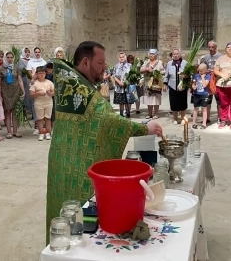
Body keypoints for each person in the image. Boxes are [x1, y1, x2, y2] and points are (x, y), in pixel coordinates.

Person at [45, 41, 163, 245]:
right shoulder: (81, 88)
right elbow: (109, 121)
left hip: (63, 158)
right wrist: (145, 128)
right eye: (100, 63)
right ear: (85, 61)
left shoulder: (71, 81)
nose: (104, 67)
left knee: (67, 212)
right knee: (71, 212)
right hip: (76, 162)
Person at [0, 51, 25, 139]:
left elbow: (20, 80)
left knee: (15, 112)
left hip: (15, 91)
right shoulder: (0, 68)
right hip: (5, 92)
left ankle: (15, 131)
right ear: (6, 58)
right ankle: (9, 132)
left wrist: (23, 91)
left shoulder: (16, 67)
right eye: (8, 57)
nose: (10, 59)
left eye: (11, 57)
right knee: (8, 112)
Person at [163, 49, 188, 125]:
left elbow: (190, 73)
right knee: (174, 103)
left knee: (183, 102)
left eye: (177, 54)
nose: (175, 55)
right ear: (172, 55)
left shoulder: (185, 63)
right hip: (172, 86)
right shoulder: (169, 63)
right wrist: (165, 84)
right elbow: (166, 75)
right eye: (174, 54)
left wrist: (186, 76)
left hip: (182, 86)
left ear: (180, 55)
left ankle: (183, 118)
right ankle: (175, 119)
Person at [201, 41, 223, 123]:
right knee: (208, 101)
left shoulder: (220, 57)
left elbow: (223, 68)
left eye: (212, 47)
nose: (211, 49)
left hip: (218, 81)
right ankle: (207, 118)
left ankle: (219, 118)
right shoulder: (205, 57)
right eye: (209, 47)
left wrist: (214, 71)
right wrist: (206, 71)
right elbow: (202, 68)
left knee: (219, 101)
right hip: (208, 82)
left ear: (215, 47)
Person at [30, 66, 54, 141]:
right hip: (38, 103)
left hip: (48, 102)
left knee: (48, 118)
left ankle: (47, 133)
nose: (41, 75)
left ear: (45, 74)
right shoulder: (34, 83)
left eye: (43, 73)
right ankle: (41, 133)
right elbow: (31, 94)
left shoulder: (49, 82)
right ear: (36, 74)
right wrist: (38, 93)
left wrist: (50, 93)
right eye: (39, 73)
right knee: (40, 119)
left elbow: (53, 92)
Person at [26, 47, 46, 135]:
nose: (37, 53)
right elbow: (30, 73)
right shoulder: (30, 62)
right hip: (34, 83)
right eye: (36, 52)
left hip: (43, 84)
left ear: (40, 53)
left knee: (44, 104)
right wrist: (34, 78)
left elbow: (45, 73)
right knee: (35, 105)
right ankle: (37, 125)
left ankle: (44, 125)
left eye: (38, 52)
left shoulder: (44, 62)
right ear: (34, 53)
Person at [140, 49, 165, 119]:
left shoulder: (160, 62)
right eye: (150, 54)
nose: (151, 55)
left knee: (156, 98)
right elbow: (141, 70)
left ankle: (156, 113)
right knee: (149, 98)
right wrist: (147, 69)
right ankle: (149, 113)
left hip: (157, 82)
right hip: (148, 82)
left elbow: (163, 72)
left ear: (156, 55)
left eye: (153, 54)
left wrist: (156, 73)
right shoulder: (146, 62)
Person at [113, 52, 132, 118]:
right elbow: (114, 76)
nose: (121, 58)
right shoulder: (116, 66)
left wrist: (126, 82)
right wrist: (119, 82)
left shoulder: (129, 65)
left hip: (127, 85)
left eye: (123, 57)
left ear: (125, 57)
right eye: (120, 57)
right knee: (121, 101)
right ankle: (121, 114)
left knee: (128, 100)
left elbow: (131, 75)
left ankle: (128, 112)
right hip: (119, 86)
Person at [191, 63, 210, 129]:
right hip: (197, 94)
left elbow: (205, 85)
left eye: (201, 71)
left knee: (204, 109)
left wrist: (202, 77)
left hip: (204, 94)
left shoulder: (207, 76)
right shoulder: (196, 75)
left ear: (205, 70)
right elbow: (193, 83)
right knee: (195, 108)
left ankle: (204, 123)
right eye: (199, 71)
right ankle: (194, 122)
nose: (200, 72)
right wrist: (193, 86)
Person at [18, 48, 32, 113]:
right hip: (24, 79)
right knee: (25, 93)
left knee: (31, 93)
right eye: (26, 52)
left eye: (28, 52)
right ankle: (25, 110)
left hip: (31, 79)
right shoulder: (21, 60)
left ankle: (31, 110)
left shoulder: (32, 60)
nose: (27, 53)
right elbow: (21, 69)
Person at [45, 61, 56, 130]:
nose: (49, 70)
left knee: (52, 112)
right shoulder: (43, 75)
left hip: (52, 96)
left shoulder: (55, 76)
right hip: (44, 96)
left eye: (51, 68)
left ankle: (52, 128)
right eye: (48, 68)